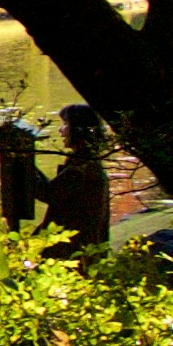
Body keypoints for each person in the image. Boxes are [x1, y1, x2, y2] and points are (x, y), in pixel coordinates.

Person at [40, 99, 116, 260]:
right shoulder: (86, 161)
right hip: (85, 249)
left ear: (78, 129)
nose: (61, 131)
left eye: (65, 125)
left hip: (76, 253)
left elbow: (50, 193)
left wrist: (23, 162)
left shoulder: (83, 167)